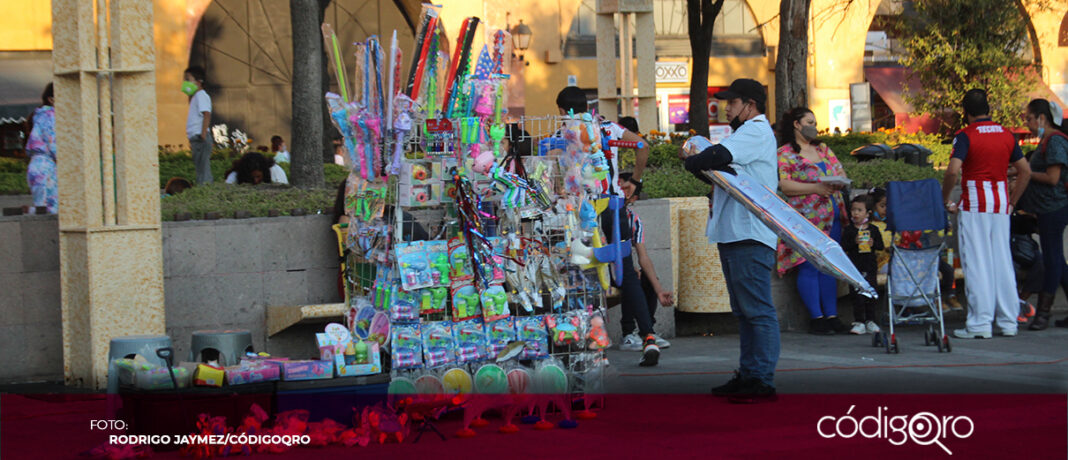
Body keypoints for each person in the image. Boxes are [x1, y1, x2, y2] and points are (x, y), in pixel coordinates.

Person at [682, 78, 779, 403]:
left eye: (732, 101)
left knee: (757, 310)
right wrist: (702, 165)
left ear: (749, 104)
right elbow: (721, 166)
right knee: (744, 311)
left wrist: (695, 161)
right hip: (736, 232)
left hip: (749, 232)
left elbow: (719, 155)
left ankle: (761, 379)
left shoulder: (755, 130)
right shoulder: (745, 133)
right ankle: (750, 373)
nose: (726, 107)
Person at [554, 86, 657, 366]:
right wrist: (634, 180)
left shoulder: (564, 132)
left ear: (563, 111)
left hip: (581, 213)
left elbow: (547, 159)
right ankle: (648, 337)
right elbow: (642, 145)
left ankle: (592, 345)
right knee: (626, 271)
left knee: (584, 274)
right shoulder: (607, 127)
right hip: (612, 206)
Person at [942, 88, 1031, 339]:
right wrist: (1012, 202)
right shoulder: (1006, 134)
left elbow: (952, 172)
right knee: (1002, 261)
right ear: (988, 109)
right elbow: (1025, 170)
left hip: (975, 205)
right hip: (1001, 204)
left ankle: (980, 323)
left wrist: (944, 198)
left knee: (977, 262)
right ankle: (1008, 321)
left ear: (966, 112)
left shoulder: (965, 136)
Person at [775, 107, 849, 335]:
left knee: (829, 267)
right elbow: (784, 185)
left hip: (833, 215)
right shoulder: (784, 153)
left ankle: (832, 316)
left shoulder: (823, 149)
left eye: (815, 122)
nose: (814, 127)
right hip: (805, 220)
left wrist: (838, 183)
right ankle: (816, 318)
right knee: (808, 266)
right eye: (809, 122)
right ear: (796, 125)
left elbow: (841, 172)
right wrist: (816, 188)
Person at [1015, 98, 1068, 330]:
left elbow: (1053, 178)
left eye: (1029, 117)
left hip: (1053, 208)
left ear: (1042, 118)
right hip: (1047, 208)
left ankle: (1043, 313)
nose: (1027, 122)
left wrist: (1026, 173)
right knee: (1058, 259)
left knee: (1052, 258)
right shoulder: (1047, 141)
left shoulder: (1054, 141)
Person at [617, 172, 674, 350]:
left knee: (645, 277)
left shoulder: (633, 219)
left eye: (625, 188)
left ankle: (646, 332)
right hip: (602, 268)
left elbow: (644, 256)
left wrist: (659, 290)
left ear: (633, 197)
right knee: (630, 275)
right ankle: (628, 332)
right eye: (619, 186)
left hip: (622, 268)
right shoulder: (602, 211)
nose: (621, 191)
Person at [841, 194, 884, 335]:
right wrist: (854, 242)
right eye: (853, 210)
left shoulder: (873, 229)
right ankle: (859, 321)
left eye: (859, 210)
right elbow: (844, 246)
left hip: (870, 266)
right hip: (854, 267)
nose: (856, 213)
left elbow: (880, 246)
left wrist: (873, 243)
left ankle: (871, 320)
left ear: (868, 213)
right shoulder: (849, 230)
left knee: (871, 293)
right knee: (856, 294)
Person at [25, 83, 57, 214]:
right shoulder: (51, 116)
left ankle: (30, 211)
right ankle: (29, 211)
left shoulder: (40, 116)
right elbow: (54, 144)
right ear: (51, 99)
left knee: (45, 208)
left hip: (37, 166)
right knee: (52, 210)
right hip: (47, 168)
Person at [184, 66, 213, 185]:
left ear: (198, 82)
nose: (186, 82)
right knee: (200, 167)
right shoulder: (196, 96)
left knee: (203, 168)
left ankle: (205, 189)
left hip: (200, 136)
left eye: (188, 79)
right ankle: (203, 187)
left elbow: (206, 114)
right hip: (196, 136)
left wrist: (203, 134)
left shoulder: (201, 95)